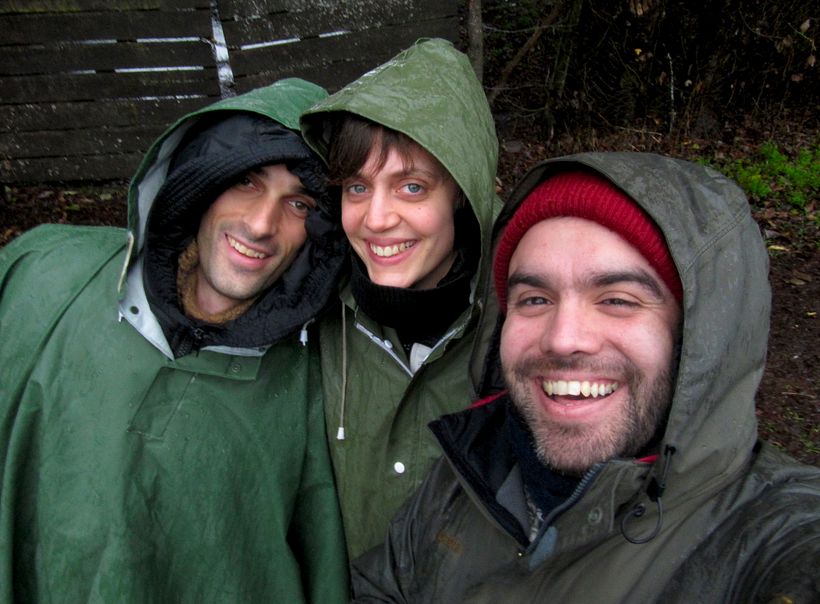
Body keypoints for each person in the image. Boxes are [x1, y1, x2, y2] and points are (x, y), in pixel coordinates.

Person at [351, 152, 820, 602]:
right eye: (535, 299)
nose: (563, 339)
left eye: (618, 299)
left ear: (697, 336)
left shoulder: (773, 534)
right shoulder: (465, 474)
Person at [0, 79, 350, 602]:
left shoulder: (315, 386)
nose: (260, 224)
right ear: (202, 183)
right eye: (246, 182)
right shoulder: (46, 277)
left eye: (299, 204)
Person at [300, 38, 499, 558]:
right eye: (357, 188)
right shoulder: (311, 312)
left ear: (460, 191)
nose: (377, 219)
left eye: (411, 187)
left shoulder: (515, 328)